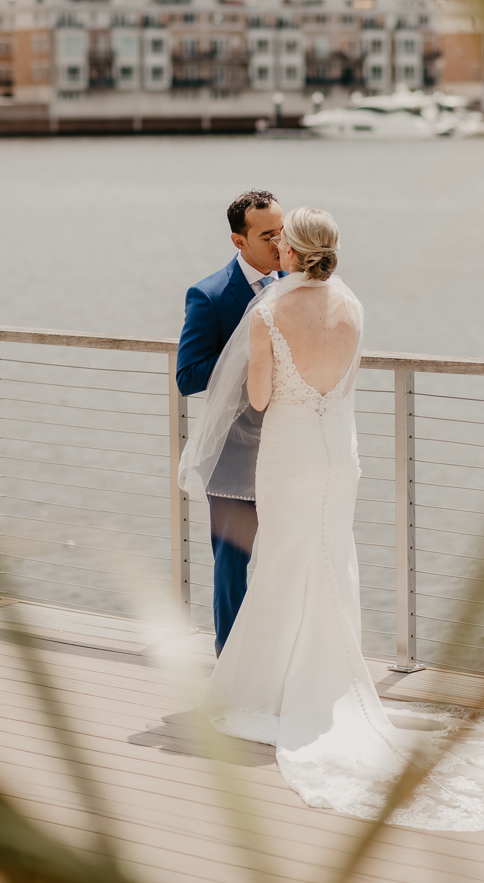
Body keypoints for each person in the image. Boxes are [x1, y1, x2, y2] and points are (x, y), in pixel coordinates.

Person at [179, 207, 484, 830]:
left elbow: (260, 398)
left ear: (292, 254)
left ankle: (274, 687)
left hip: (290, 455)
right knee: (331, 560)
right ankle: (328, 680)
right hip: (337, 457)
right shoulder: (353, 305)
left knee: (282, 564)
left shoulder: (269, 312)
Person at [176, 189, 285, 655]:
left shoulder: (297, 285)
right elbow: (187, 375)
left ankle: (277, 656)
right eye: (267, 236)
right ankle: (231, 663)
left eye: (284, 232)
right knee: (232, 566)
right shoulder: (210, 294)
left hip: (288, 447)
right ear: (238, 241)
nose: (280, 245)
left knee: (287, 560)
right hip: (232, 454)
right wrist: (249, 357)